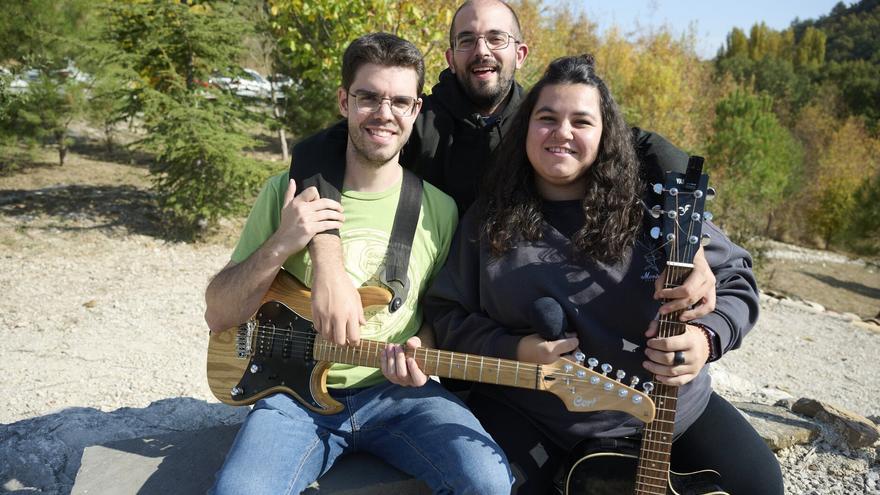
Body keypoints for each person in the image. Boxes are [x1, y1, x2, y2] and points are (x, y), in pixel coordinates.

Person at [422, 55, 785, 494]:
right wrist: (513, 348)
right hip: (536, 415)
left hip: (667, 413)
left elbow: (736, 281)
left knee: (760, 485)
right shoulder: (488, 220)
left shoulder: (656, 208)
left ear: (605, 133)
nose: (562, 133)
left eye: (581, 121)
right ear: (525, 130)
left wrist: (707, 339)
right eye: (547, 118)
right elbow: (447, 315)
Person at [297, 0, 719, 355]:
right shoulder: (416, 118)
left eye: (495, 38)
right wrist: (328, 263)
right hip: (434, 303)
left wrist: (690, 247)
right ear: (450, 57)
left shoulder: (542, 121)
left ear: (520, 53)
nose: (481, 50)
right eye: (467, 40)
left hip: (512, 305)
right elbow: (321, 149)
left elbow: (648, 150)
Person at [204, 33, 512, 495]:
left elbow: (439, 314)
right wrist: (282, 243)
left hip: (398, 396)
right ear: (344, 101)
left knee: (489, 481)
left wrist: (419, 351)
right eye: (369, 97)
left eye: (399, 101)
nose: (384, 113)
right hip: (293, 400)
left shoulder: (441, 210)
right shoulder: (285, 193)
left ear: (416, 111)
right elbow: (218, 314)